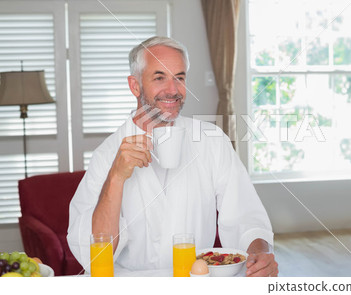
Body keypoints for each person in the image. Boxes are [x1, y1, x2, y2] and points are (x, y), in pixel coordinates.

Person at [67, 36, 278, 277]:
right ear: (135, 86)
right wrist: (116, 177)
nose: (173, 90)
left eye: (179, 77)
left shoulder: (211, 140)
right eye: (159, 78)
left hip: (194, 281)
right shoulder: (107, 154)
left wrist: (259, 253)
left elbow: (245, 213)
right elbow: (93, 254)